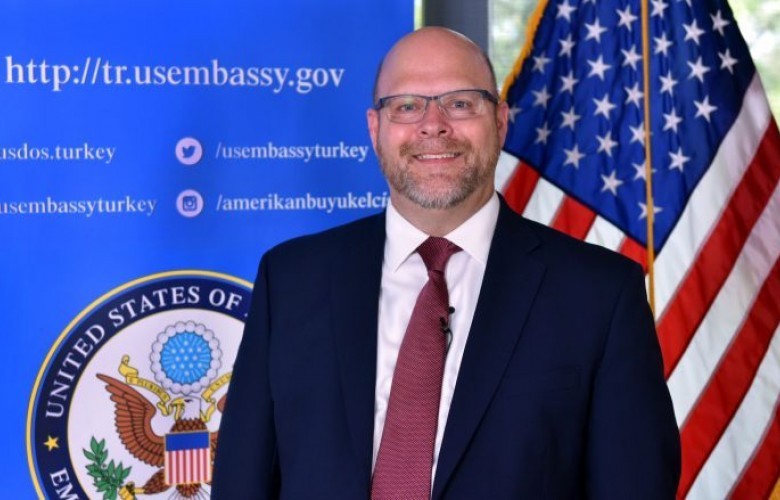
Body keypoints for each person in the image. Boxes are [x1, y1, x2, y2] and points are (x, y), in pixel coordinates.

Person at [212, 27, 681, 499]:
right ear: (375, 129)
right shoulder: (290, 281)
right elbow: (242, 483)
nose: (433, 124)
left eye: (460, 103)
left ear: (500, 122)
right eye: (406, 106)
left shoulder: (599, 295)